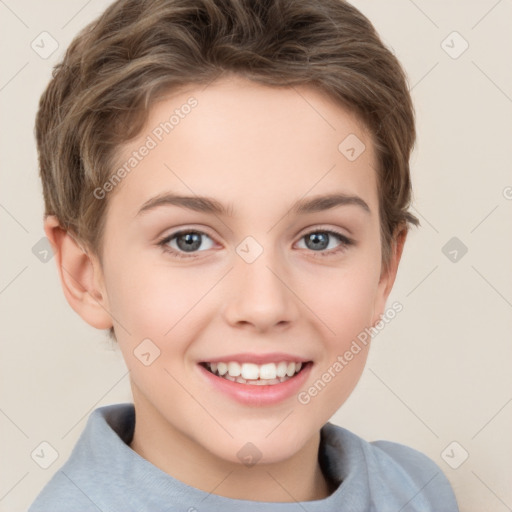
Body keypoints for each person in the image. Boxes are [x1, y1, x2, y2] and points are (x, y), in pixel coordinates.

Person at [29, 0, 459, 510]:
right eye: (188, 239)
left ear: (385, 271)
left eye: (320, 239)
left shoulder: (414, 491)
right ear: (86, 275)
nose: (263, 305)